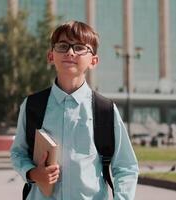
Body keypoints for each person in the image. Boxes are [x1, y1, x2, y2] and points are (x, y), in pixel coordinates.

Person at [10, 20, 139, 199]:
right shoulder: (33, 105)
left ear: (93, 61)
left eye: (79, 47)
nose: (70, 52)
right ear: (50, 56)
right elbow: (18, 152)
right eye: (63, 46)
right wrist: (33, 173)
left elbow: (126, 166)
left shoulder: (105, 110)